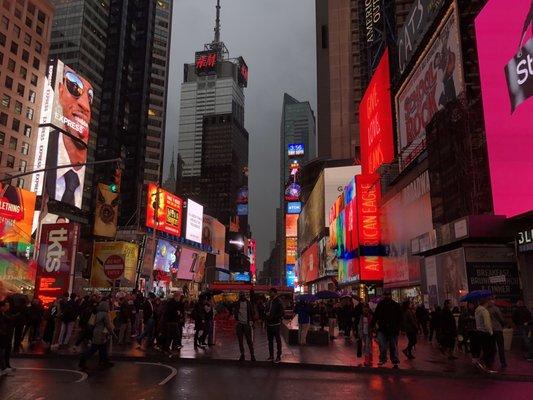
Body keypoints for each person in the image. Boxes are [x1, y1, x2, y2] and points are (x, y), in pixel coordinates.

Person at [44, 65, 93, 211]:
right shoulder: (45, 146)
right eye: (74, 86)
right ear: (60, 91)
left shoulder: (89, 167)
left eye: (90, 97)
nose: (85, 105)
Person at [79, 300, 115, 370]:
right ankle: (83, 360)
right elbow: (108, 325)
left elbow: (92, 323)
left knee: (102, 348)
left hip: (96, 331)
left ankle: (104, 361)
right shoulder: (105, 314)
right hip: (101, 333)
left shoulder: (97, 313)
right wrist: (112, 332)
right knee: (94, 348)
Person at [372, 291, 402, 368]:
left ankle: (393, 359)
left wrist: (400, 327)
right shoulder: (381, 305)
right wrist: (372, 325)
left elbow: (400, 317)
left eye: (388, 295)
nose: (387, 296)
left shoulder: (395, 305)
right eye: (386, 295)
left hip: (392, 329)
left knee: (393, 346)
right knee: (383, 345)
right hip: (383, 329)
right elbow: (375, 316)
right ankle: (384, 359)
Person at [474, 298, 496, 373]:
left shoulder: (477, 310)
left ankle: (480, 362)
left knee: (484, 349)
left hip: (479, 332)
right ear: (487, 302)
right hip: (485, 333)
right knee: (489, 350)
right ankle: (486, 365)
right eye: (490, 300)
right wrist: (490, 332)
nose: (492, 302)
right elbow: (487, 323)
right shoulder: (484, 311)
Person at [233, 292, 256, 361]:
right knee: (241, 341)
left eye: (242, 296)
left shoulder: (248, 303)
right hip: (240, 323)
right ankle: (243, 354)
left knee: (249, 341)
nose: (242, 297)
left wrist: (253, 322)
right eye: (241, 296)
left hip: (246, 324)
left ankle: (252, 355)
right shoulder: (237, 303)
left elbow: (252, 313)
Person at [265, 288, 284, 363]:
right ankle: (271, 356)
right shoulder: (269, 301)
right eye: (269, 292)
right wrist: (266, 314)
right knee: (270, 341)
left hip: (275, 324)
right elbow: (267, 310)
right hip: (269, 323)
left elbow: (281, 313)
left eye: (270, 292)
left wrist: (273, 317)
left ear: (275, 293)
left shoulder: (278, 302)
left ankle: (278, 356)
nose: (269, 293)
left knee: (277, 340)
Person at [487, 298, 506, 369]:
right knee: (500, 346)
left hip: (490, 330)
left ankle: (491, 360)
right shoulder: (495, 309)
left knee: (492, 346)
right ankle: (503, 362)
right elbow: (501, 318)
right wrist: (503, 324)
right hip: (497, 329)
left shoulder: (485, 309)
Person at [0, 300, 14, 376]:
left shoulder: (4, 314)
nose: (7, 307)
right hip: (2, 335)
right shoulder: (2, 314)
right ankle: (3, 368)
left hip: (3, 336)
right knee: (1, 353)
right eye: (6, 306)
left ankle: (3, 367)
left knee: (2, 352)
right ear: (2, 307)